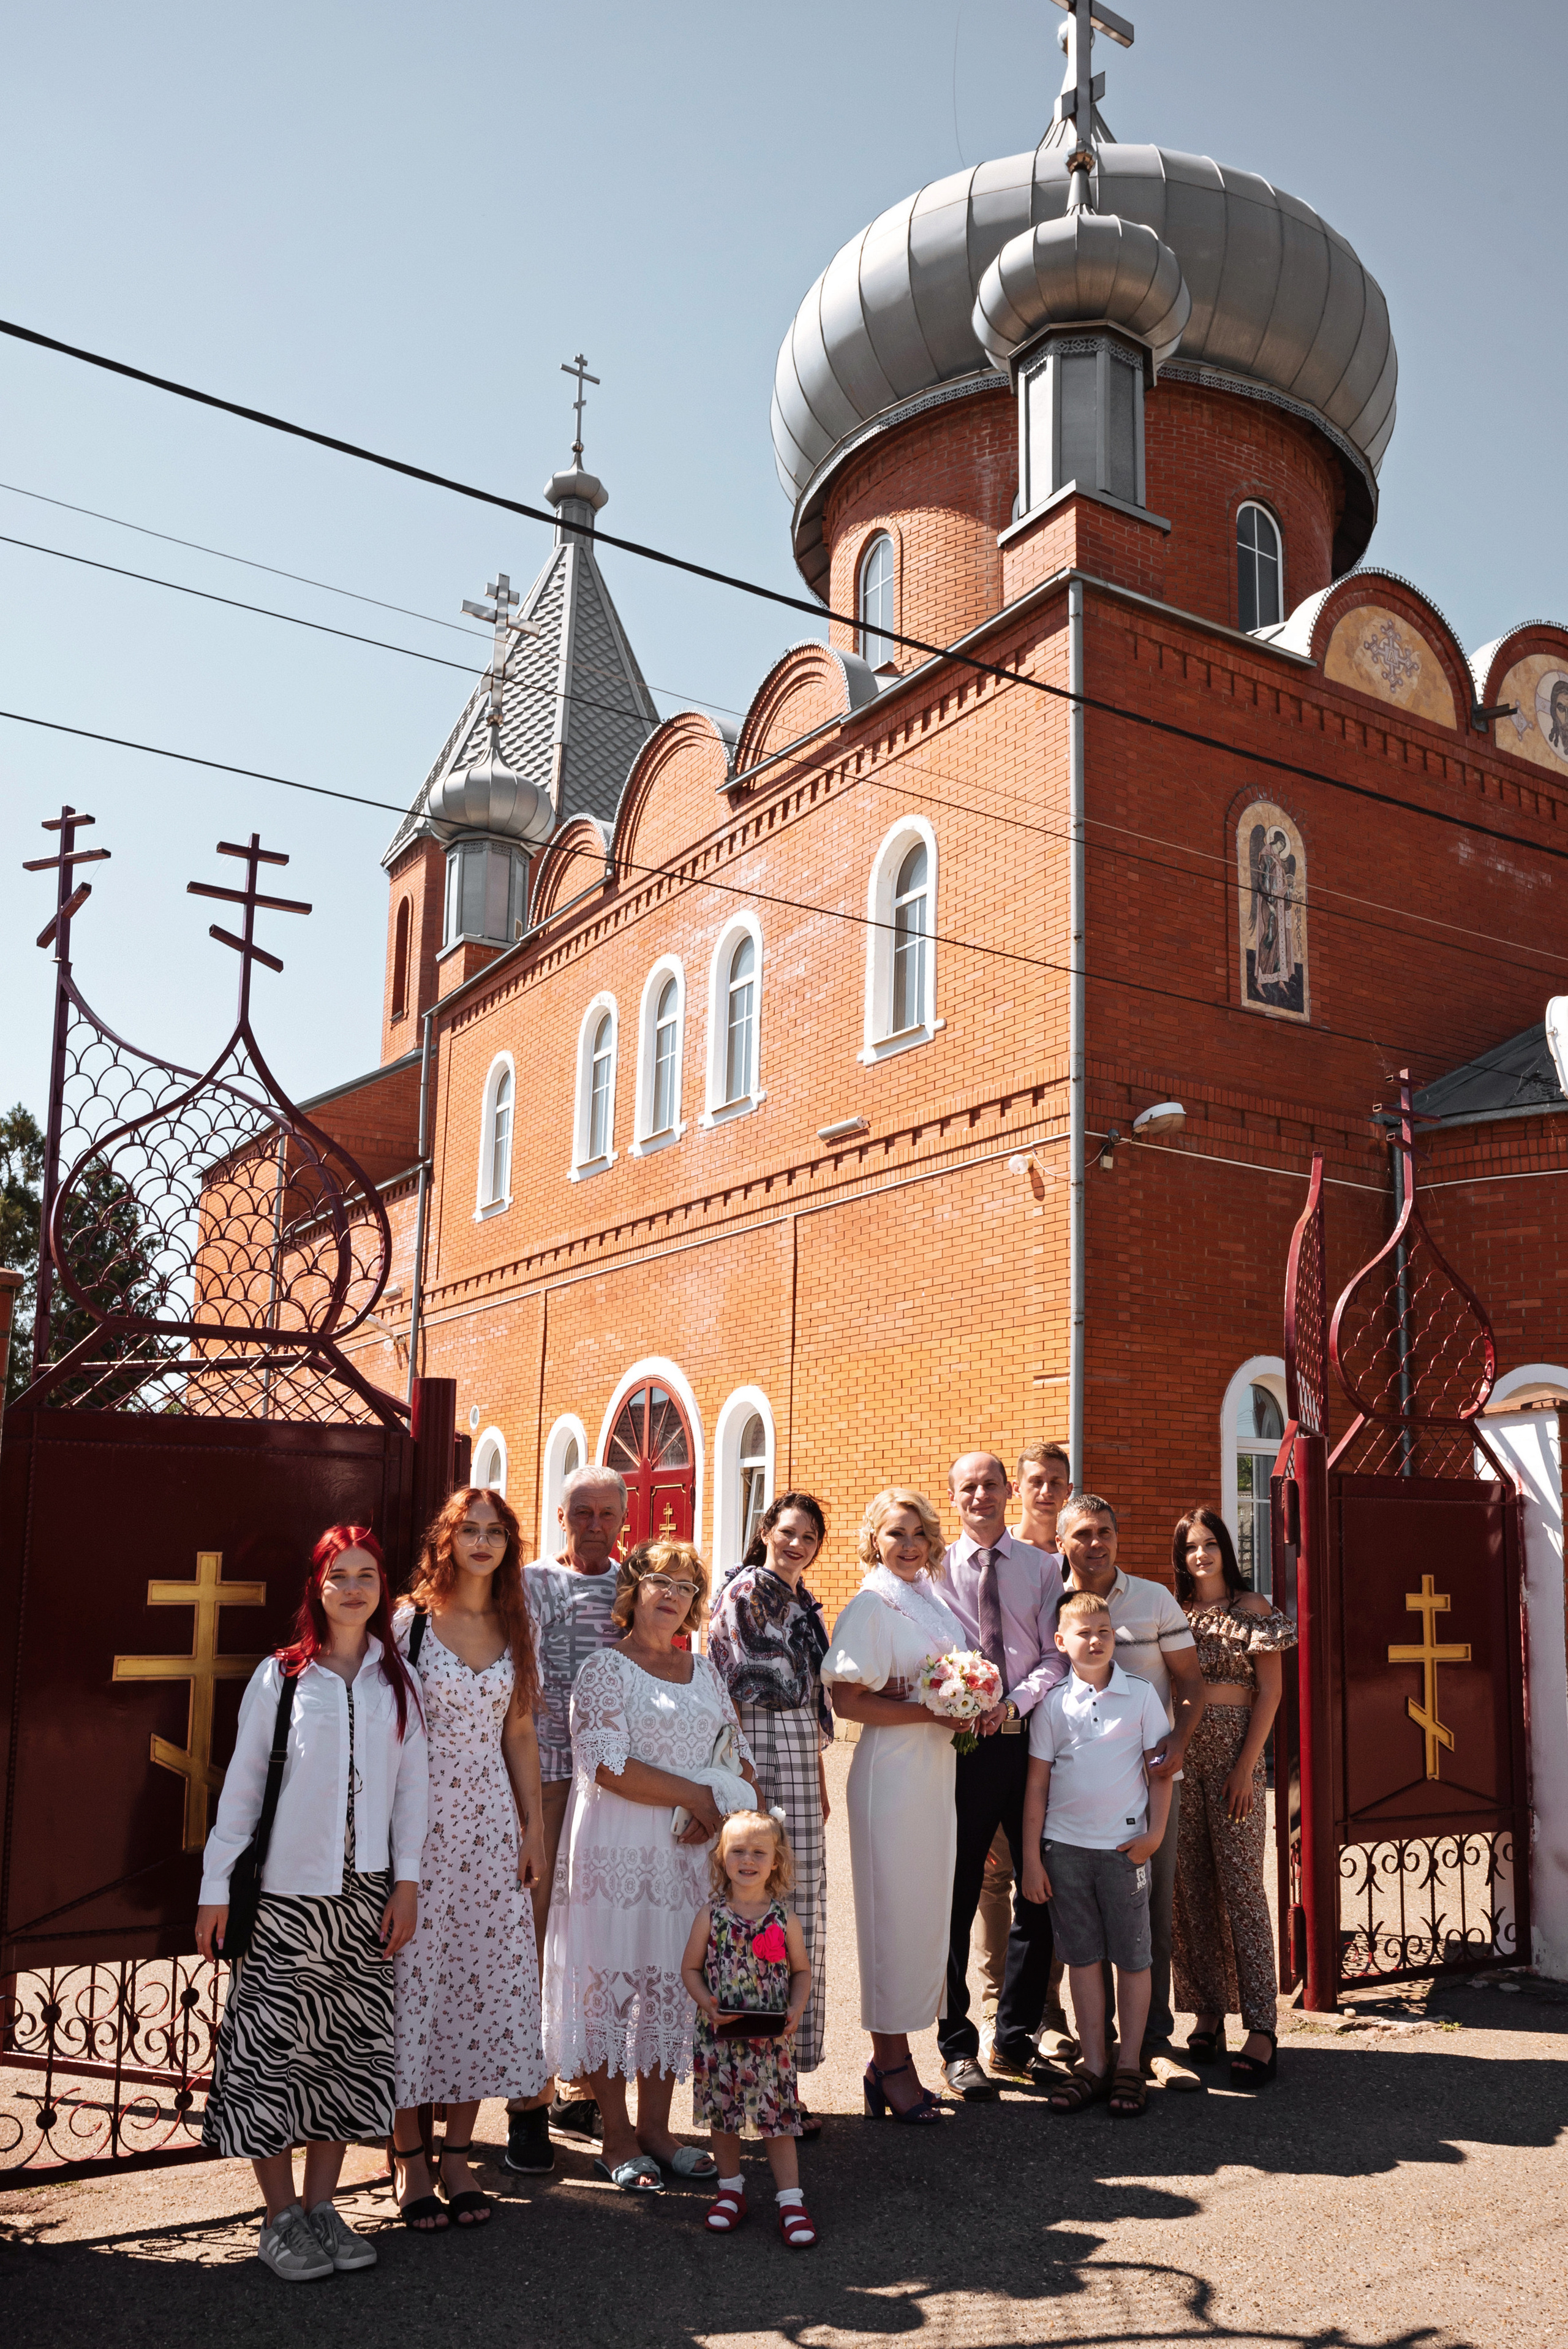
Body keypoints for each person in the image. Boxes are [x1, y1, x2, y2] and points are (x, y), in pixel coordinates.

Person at [196, 1527, 427, 2285]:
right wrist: (215, 1888)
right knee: (273, 2056)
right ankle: (279, 2219)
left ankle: (324, 2209)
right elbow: (242, 1788)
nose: (354, 1589)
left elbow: (413, 1793)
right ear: (318, 1588)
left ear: (382, 1587)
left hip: (366, 1898)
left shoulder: (400, 1681)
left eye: (366, 1575)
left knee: (347, 2056)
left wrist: (407, 1881)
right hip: (289, 1898)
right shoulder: (284, 1676)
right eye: (339, 1576)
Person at [543, 1537, 755, 2193]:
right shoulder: (605, 1671)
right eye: (659, 1581)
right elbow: (606, 1764)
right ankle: (614, 2136)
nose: (672, 1594)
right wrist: (694, 1793)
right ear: (633, 1593)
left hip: (688, 1857)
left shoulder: (706, 1672)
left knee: (669, 1985)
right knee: (610, 1985)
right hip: (617, 1850)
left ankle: (658, 2132)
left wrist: (718, 1807)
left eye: (686, 1586)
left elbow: (738, 1758)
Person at [391, 1488, 546, 2231]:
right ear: (447, 1540)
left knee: (481, 1986)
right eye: (469, 1530)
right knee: (412, 1985)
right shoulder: (408, 1621)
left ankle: (458, 2153)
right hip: (418, 1824)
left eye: (495, 1532)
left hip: (490, 1824)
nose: (481, 1543)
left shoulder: (518, 1622)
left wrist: (534, 1827)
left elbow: (519, 1733)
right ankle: (409, 2156)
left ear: (508, 1544)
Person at [820, 1488, 965, 2124]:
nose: (907, 1546)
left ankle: (895, 2059)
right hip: (892, 1772)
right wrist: (925, 1710)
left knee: (924, 1914)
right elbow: (847, 1700)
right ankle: (891, 2062)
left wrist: (969, 1706)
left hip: (935, 1768)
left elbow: (946, 1680)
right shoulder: (872, 1604)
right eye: (893, 1534)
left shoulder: (930, 1599)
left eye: (917, 1535)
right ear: (873, 1541)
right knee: (892, 1917)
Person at [1057, 1492, 1207, 2092]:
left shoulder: (1153, 1600)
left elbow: (1190, 1679)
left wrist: (1179, 1744)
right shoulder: (1050, 1603)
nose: (1095, 1544)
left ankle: (1150, 2044)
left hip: (1146, 1789)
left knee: (1150, 1911)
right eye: (1082, 1534)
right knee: (1069, 1915)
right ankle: (1065, 2036)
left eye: (1104, 1533)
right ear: (1062, 1543)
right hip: (1071, 1789)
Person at [933, 1452, 1065, 2100]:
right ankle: (957, 2046)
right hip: (961, 1751)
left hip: (1026, 1741)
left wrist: (1012, 1704)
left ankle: (1014, 2040)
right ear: (952, 1496)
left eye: (990, 1484)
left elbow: (1053, 1656)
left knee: (1038, 1892)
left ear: (1009, 1492)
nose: (979, 1495)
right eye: (968, 1487)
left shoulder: (1045, 1567)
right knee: (956, 1897)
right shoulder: (933, 1569)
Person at [514, 1463, 629, 2166]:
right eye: (580, 1513)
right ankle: (527, 2098)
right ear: (561, 1517)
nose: (593, 1526)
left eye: (605, 1514)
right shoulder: (532, 1582)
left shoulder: (634, 1585)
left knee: (592, 1941)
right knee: (532, 1938)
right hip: (549, 1777)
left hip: (614, 1787)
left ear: (623, 1518)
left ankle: (579, 2090)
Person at [1021, 1591, 1173, 2119]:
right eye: (1083, 1633)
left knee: (1132, 1958)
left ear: (1116, 1638)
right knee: (1082, 1957)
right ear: (1061, 1642)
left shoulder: (1140, 1696)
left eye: (1104, 1631)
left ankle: (1129, 2064)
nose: (1095, 1640)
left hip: (1124, 1850)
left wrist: (1154, 1837)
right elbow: (1037, 1786)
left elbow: (1161, 1772)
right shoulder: (1052, 1705)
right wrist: (1033, 1859)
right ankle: (1093, 2062)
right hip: (1065, 1852)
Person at [707, 1491, 831, 2128]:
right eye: (788, 1531)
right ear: (764, 1531)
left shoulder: (801, 1605)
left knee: (794, 1919)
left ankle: (781, 2080)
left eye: (809, 1536)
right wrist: (747, 1784)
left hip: (797, 1764)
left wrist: (816, 1775)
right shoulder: (745, 1593)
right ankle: (747, 2080)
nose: (797, 1544)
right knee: (754, 1918)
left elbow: (810, 1700)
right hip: (758, 1757)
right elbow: (734, 1694)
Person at [1170, 1507, 1296, 2090]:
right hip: (1182, 1760)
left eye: (1209, 1544)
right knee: (1190, 1889)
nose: (1201, 1555)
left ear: (1225, 1548)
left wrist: (1248, 1767)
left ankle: (1263, 2026)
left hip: (1234, 1763)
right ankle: (1208, 2012)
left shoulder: (1255, 1610)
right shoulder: (1174, 1613)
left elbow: (1269, 1693)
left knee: (1243, 1888)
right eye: (1191, 1547)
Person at [976, 1443, 1075, 2059]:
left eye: (1055, 1482)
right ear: (1018, 1487)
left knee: (1049, 1874)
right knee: (996, 1872)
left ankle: (1047, 2007)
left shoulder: (1074, 1564)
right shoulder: (997, 1556)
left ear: (1067, 1489)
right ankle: (994, 2001)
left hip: (1061, 1740)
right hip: (998, 1738)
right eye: (1034, 1481)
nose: (1044, 1491)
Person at [681, 1809, 816, 2248]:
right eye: (737, 1850)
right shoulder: (712, 1915)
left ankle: (791, 2200)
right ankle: (730, 2191)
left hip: (770, 2042)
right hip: (721, 2040)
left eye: (759, 1851)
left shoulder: (783, 1919)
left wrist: (796, 2006)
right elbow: (690, 1968)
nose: (748, 1859)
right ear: (721, 1858)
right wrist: (706, 2001)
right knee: (725, 2117)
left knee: (778, 2120)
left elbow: (800, 1971)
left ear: (776, 1861)